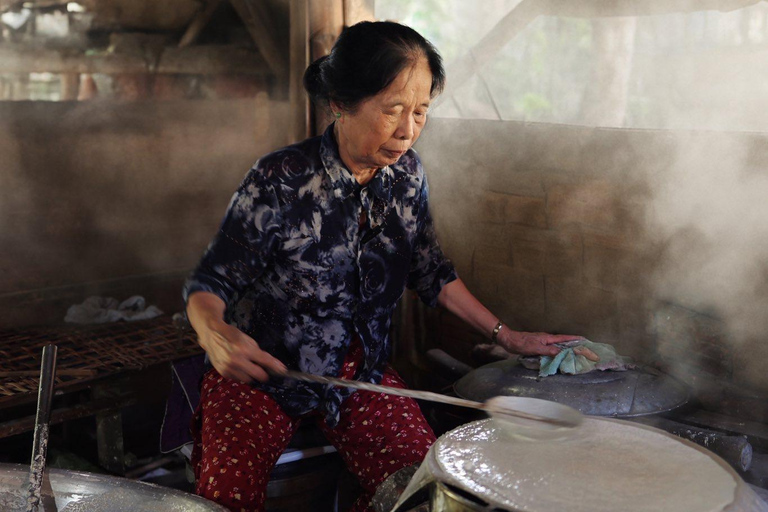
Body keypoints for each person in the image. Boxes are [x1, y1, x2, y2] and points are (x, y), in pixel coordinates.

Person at [184, 21, 590, 512]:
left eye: (420, 112)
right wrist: (214, 333)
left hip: (359, 374)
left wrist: (508, 336)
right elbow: (211, 282)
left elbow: (430, 271)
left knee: (421, 494)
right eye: (393, 110)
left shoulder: (408, 176)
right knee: (225, 499)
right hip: (260, 375)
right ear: (340, 102)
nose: (408, 131)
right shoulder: (279, 179)